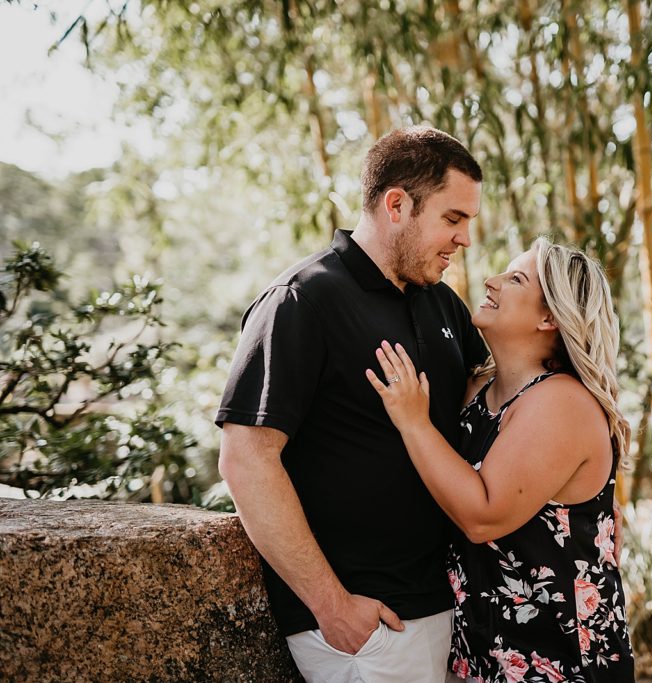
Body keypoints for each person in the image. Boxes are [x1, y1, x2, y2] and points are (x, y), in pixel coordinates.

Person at [216, 126, 489, 683]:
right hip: (368, 628)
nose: (464, 240)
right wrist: (332, 606)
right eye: (453, 219)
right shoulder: (303, 299)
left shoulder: (444, 304)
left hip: (451, 607)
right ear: (397, 204)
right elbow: (246, 458)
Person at [367, 238, 635, 682]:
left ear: (550, 317)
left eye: (515, 279)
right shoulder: (479, 390)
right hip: (486, 650)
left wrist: (414, 423)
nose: (491, 281)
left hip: (558, 658)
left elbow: (483, 516)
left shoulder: (562, 401)